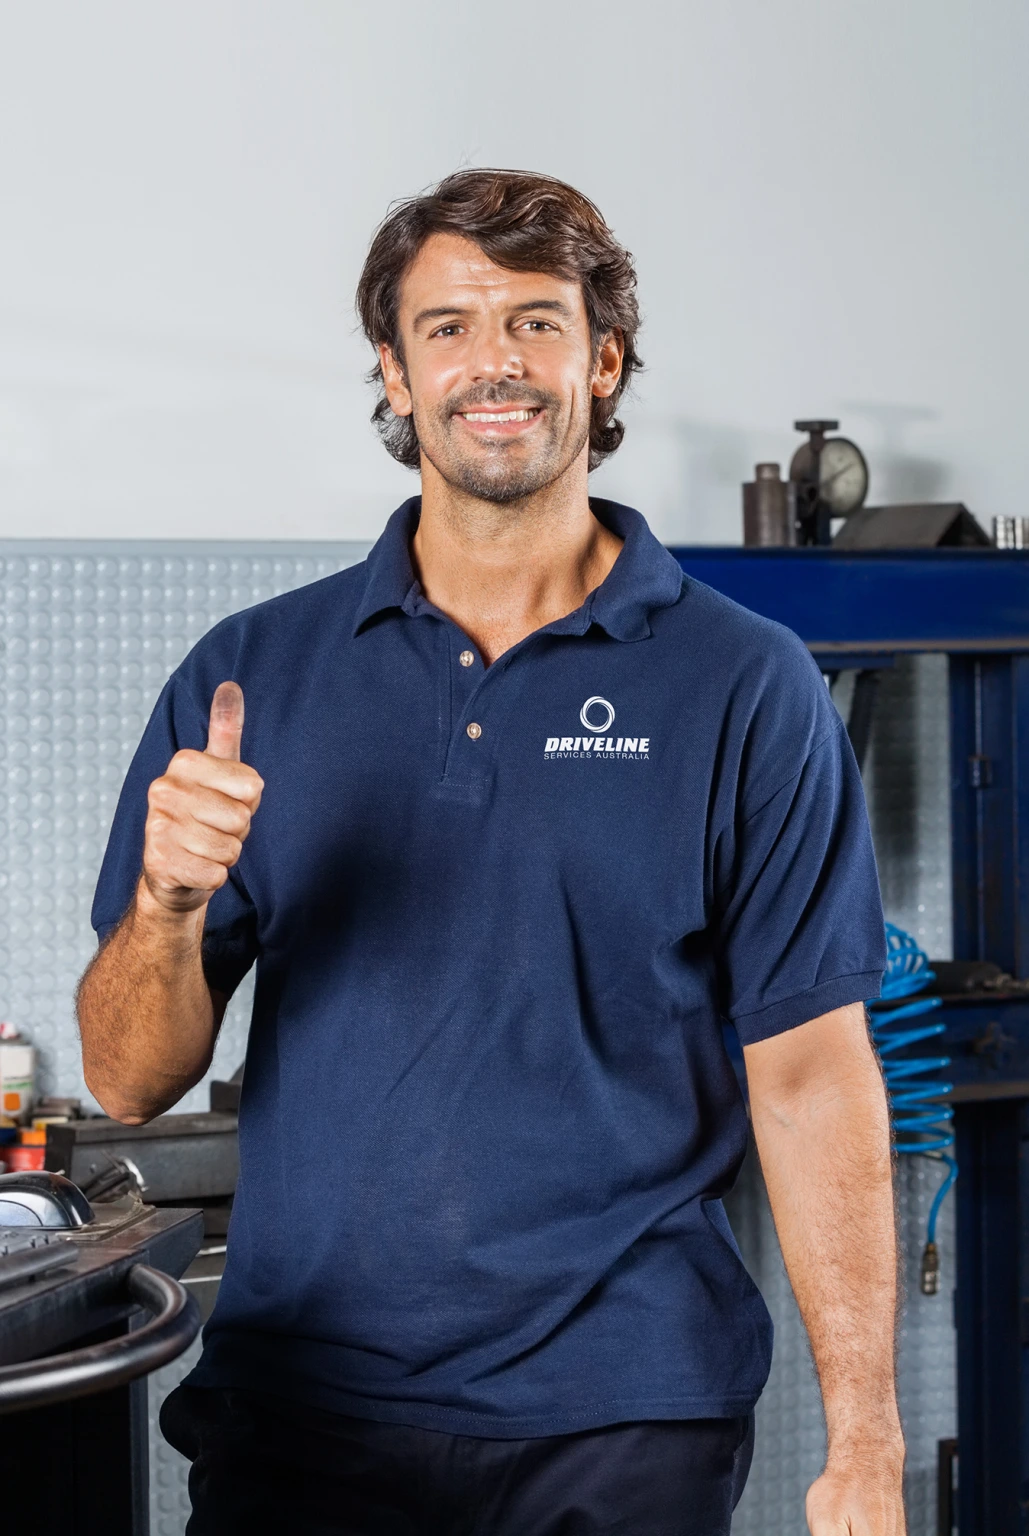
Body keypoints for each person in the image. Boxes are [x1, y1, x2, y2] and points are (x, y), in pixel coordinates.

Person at [77, 169, 904, 1535]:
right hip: (306, 1408)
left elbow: (813, 1076)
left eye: (534, 320)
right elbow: (128, 1071)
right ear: (394, 376)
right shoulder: (253, 673)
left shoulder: (746, 685)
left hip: (624, 1411)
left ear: (603, 360)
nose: (494, 364)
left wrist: (865, 1439)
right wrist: (167, 904)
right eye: (447, 328)